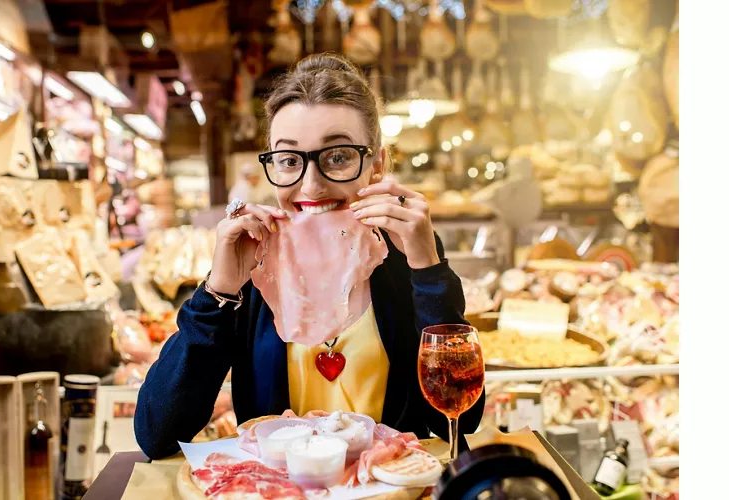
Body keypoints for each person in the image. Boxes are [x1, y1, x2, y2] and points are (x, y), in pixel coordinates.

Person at [135, 53, 484, 459]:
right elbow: (156, 432)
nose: (312, 185)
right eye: (289, 160)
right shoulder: (255, 264)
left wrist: (428, 269)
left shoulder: (405, 252)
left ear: (378, 165)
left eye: (337, 156)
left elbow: (459, 419)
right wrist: (219, 290)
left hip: (388, 485)